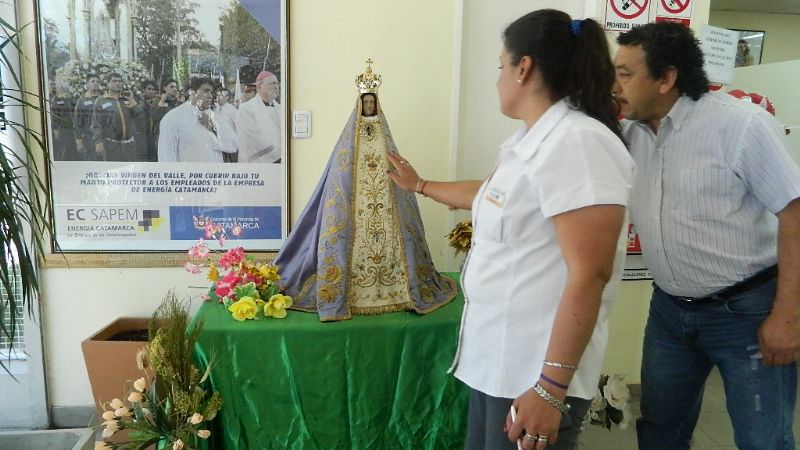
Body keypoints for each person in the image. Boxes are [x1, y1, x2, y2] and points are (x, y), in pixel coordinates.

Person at [388, 10, 633, 450]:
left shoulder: (579, 143)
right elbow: (493, 197)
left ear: (524, 68)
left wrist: (549, 389)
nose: (498, 78)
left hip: (532, 375)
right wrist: (419, 185)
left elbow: (590, 274)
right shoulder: (530, 142)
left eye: (501, 66)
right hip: (498, 364)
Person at [612, 22, 800, 450]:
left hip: (746, 313)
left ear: (666, 78)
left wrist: (788, 316)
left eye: (625, 73)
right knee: (660, 429)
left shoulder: (741, 125)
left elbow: (795, 213)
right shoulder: (629, 133)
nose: (615, 84)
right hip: (670, 313)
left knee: (763, 439)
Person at [273, 61, 457, 321]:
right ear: (360, 104)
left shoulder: (384, 134)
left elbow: (395, 166)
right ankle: (348, 294)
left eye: (372, 103)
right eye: (366, 103)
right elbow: (339, 176)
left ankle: (398, 290)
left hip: (385, 200)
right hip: (355, 204)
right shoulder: (348, 142)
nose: (369, 107)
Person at [157, 76, 236, 163]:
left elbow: (233, 145)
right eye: (206, 91)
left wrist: (213, 127)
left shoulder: (215, 117)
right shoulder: (172, 118)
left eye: (212, 92)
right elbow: (166, 158)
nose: (210, 95)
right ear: (192, 92)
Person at [90, 72, 141, 161]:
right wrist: (98, 142)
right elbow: (96, 124)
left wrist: (133, 103)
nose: (118, 83)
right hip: (111, 145)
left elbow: (139, 116)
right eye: (114, 81)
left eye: (120, 81)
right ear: (108, 84)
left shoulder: (127, 99)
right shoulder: (101, 101)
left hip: (129, 145)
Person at [236, 71, 282, 163]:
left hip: (281, 161)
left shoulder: (281, 108)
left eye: (277, 83)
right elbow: (256, 139)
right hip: (258, 162)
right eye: (272, 83)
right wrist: (282, 153)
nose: (276, 87)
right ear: (259, 87)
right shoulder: (246, 109)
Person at [73, 74, 101, 160]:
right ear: (87, 84)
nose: (95, 83)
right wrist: (79, 142)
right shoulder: (82, 100)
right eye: (93, 81)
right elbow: (77, 122)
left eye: (97, 81)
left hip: (104, 139)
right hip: (89, 139)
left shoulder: (104, 99)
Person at [215, 89, 238, 162]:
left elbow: (240, 126)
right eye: (217, 95)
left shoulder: (232, 110)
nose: (218, 97)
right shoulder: (216, 111)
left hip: (232, 144)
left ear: (227, 97)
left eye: (220, 95)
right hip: (220, 144)